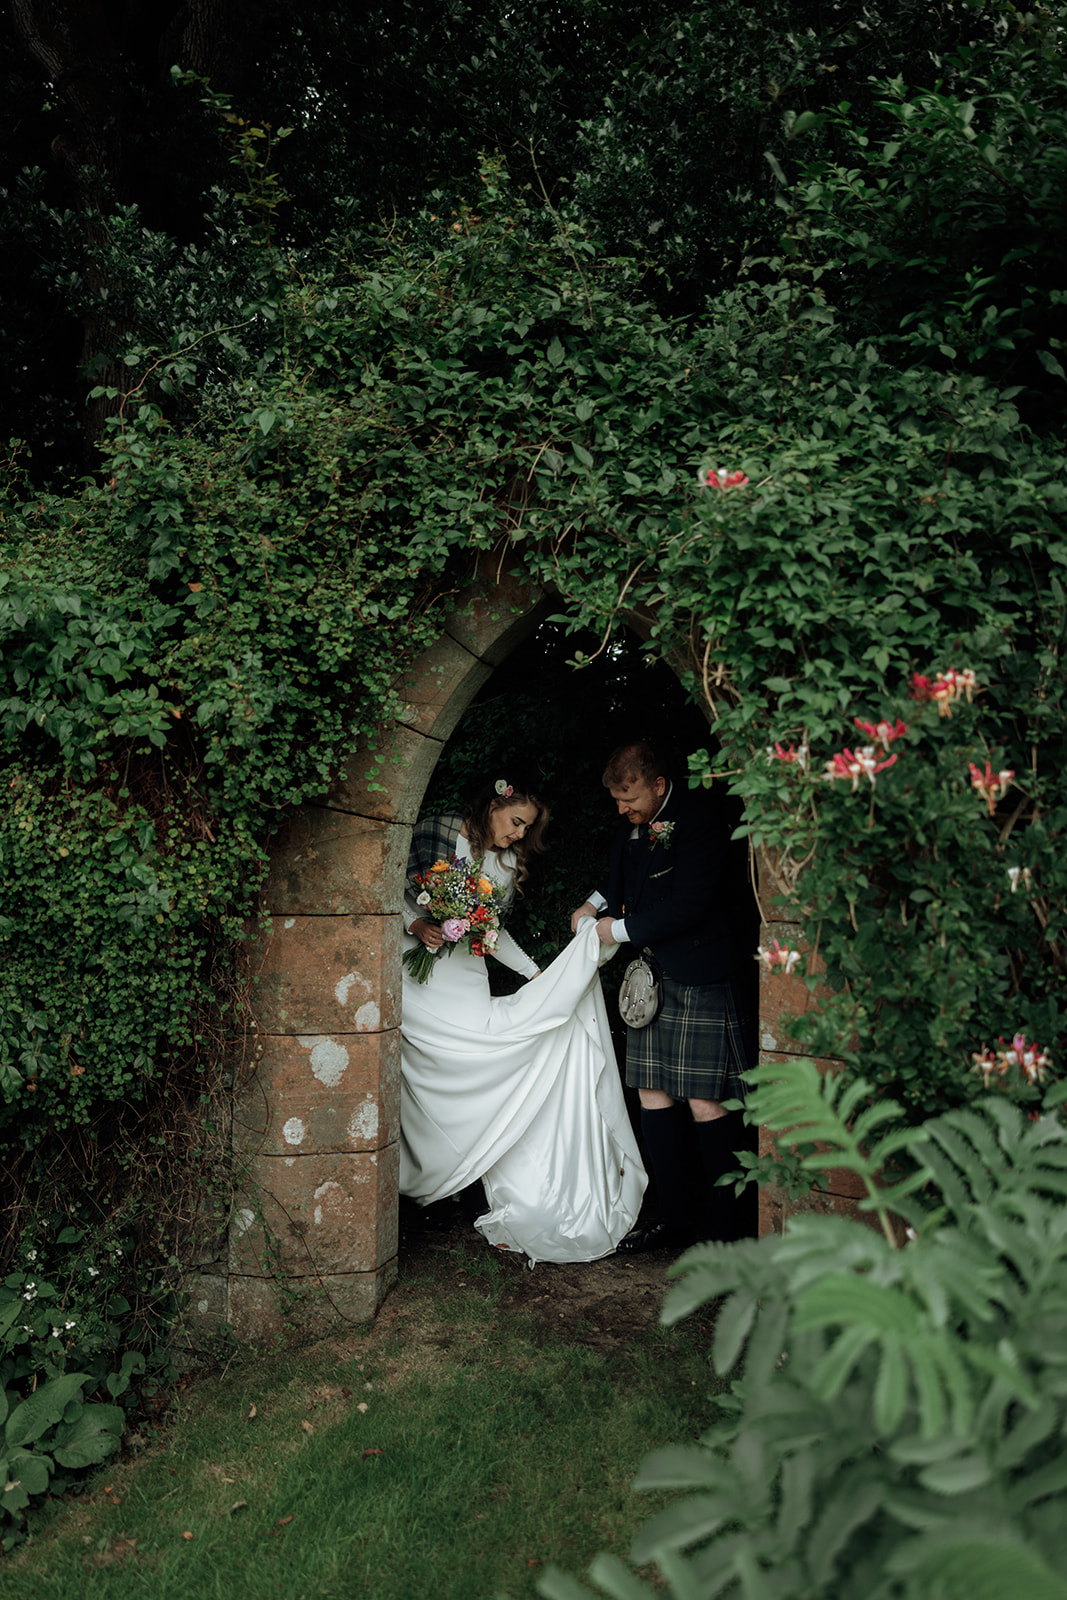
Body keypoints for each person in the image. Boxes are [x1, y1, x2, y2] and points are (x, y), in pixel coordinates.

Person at [400, 774, 646, 1263]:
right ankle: (429, 1188)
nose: (517, 835)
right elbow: (384, 891)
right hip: (419, 978)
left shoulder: (506, 864)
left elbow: (490, 933)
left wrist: (538, 974)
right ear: (494, 804)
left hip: (466, 981)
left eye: (526, 828)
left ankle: (471, 1179)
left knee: (481, 1072)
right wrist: (418, 923)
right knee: (431, 1079)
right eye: (515, 822)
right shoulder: (438, 830)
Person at [571, 741, 757, 1252]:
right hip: (651, 978)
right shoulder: (632, 825)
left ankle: (729, 1234)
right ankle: (674, 1222)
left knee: (705, 1101)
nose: (621, 810)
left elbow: (691, 905)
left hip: (702, 971)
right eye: (615, 800)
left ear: (657, 783)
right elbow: (615, 884)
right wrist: (590, 907)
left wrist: (618, 931)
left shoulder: (698, 820)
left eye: (628, 798)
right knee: (652, 1094)